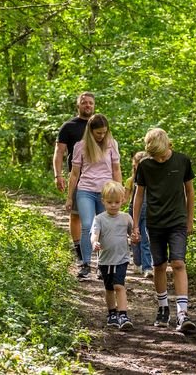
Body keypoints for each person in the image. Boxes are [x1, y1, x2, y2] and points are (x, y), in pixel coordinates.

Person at [131, 128, 196, 333]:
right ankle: (163, 308)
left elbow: (190, 191)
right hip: (154, 222)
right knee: (159, 266)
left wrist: (190, 220)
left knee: (178, 263)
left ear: (169, 145)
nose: (159, 160)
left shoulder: (182, 161)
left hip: (177, 221)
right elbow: (139, 195)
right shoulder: (145, 165)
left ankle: (183, 313)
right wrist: (134, 225)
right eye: (155, 157)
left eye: (162, 156)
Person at [66, 113, 122, 278]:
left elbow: (116, 170)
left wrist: (120, 190)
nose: (102, 135)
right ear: (90, 131)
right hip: (85, 190)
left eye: (104, 132)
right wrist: (70, 197)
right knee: (88, 225)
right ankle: (85, 264)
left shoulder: (112, 144)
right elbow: (75, 174)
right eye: (98, 133)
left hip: (106, 192)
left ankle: (102, 265)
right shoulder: (80, 146)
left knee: (103, 228)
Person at [53, 92, 95, 262]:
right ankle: (79, 250)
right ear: (78, 106)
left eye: (91, 103)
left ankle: (98, 251)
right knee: (76, 215)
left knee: (99, 216)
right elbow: (59, 152)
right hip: (77, 177)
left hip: (99, 177)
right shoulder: (69, 126)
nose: (88, 106)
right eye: (84, 103)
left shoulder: (98, 124)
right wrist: (58, 175)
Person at [91, 180, 134, 330]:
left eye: (117, 202)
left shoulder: (126, 218)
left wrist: (135, 238)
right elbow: (94, 234)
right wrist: (94, 242)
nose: (114, 205)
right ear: (103, 201)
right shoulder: (99, 218)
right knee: (109, 288)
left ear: (122, 200)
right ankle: (112, 313)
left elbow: (133, 234)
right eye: (110, 202)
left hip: (122, 258)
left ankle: (123, 314)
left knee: (119, 285)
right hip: (105, 260)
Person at [125, 151, 152, 277]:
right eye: (137, 165)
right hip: (133, 212)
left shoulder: (152, 180)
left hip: (148, 212)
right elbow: (125, 199)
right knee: (135, 239)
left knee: (145, 239)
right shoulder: (130, 181)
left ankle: (148, 267)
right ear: (134, 165)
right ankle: (137, 263)